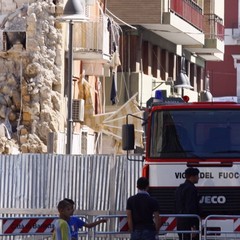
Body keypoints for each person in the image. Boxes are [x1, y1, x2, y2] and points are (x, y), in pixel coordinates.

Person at [175, 167, 200, 240]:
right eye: (197, 176)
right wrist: (193, 225)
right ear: (192, 177)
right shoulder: (191, 189)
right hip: (189, 223)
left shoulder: (180, 188)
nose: (198, 178)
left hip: (180, 221)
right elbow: (191, 207)